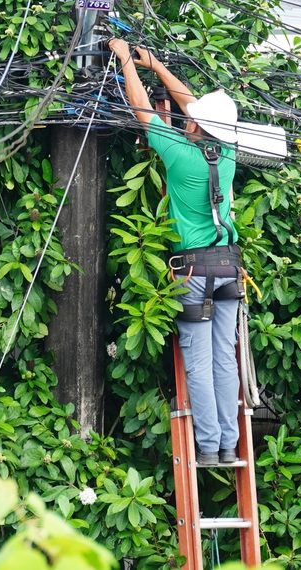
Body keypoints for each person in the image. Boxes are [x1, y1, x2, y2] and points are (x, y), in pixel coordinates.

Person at [109, 39, 243, 466]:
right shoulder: (229, 153)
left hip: (194, 272)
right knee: (224, 359)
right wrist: (159, 65)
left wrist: (126, 59)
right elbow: (192, 106)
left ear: (196, 124)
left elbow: (142, 108)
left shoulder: (180, 154)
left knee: (198, 362)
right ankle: (227, 444)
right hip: (229, 268)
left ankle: (206, 448)